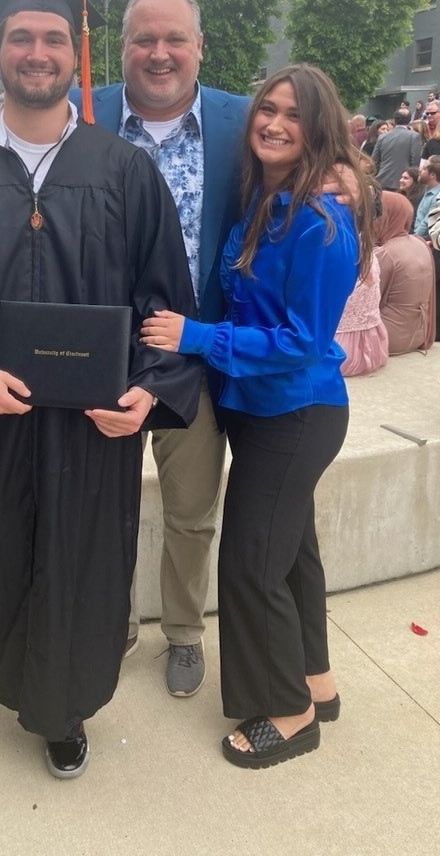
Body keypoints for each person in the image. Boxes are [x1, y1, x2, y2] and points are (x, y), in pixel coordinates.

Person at [0, 0, 200, 779]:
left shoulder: (124, 170)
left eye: (54, 39)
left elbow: (165, 305)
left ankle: (61, 705)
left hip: (92, 428)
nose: (38, 52)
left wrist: (149, 389)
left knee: (80, 562)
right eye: (21, 38)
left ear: (77, 56)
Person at [141, 64, 373, 768]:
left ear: (319, 130)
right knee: (292, 554)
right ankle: (317, 683)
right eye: (266, 110)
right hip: (260, 411)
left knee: (250, 565)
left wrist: (196, 336)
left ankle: (291, 714)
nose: (273, 122)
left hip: (297, 415)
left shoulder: (319, 222)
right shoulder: (264, 204)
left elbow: (306, 340)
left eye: (292, 115)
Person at [71, 0, 251, 697]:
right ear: (123, 49)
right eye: (144, 39)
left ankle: (183, 631)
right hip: (102, 352)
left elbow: (309, 172)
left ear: (199, 46)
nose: (160, 53)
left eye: (175, 38)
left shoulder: (243, 122)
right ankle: (109, 621)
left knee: (192, 509)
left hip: (194, 353)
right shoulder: (86, 112)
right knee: (98, 505)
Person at [375, 192, 435, 354]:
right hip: (419, 333)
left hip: (388, 338)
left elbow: (368, 302)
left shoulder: (385, 253)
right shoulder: (420, 243)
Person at [372, 109, 422, 189]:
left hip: (382, 180)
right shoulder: (414, 136)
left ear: (394, 120)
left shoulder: (382, 137)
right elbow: (415, 161)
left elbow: (375, 160)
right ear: (409, 120)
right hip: (403, 182)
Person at [413, 155, 440, 239]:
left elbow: (426, 222)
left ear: (432, 175)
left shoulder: (437, 197)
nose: (420, 170)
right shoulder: (426, 189)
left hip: (424, 240)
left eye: (424, 168)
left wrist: (413, 238)